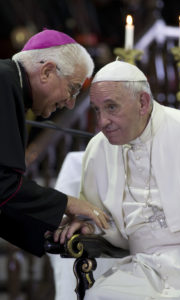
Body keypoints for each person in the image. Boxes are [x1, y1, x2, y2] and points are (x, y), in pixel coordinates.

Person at [74, 60, 180, 299]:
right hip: (145, 267)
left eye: (111, 107)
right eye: (97, 110)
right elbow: (100, 216)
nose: (101, 122)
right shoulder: (99, 148)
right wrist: (90, 225)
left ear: (143, 103)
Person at [0, 29, 109, 257]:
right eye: (72, 89)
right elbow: (3, 184)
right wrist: (66, 203)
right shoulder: (3, 82)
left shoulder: (11, 84)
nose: (70, 104)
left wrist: (52, 228)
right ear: (47, 71)